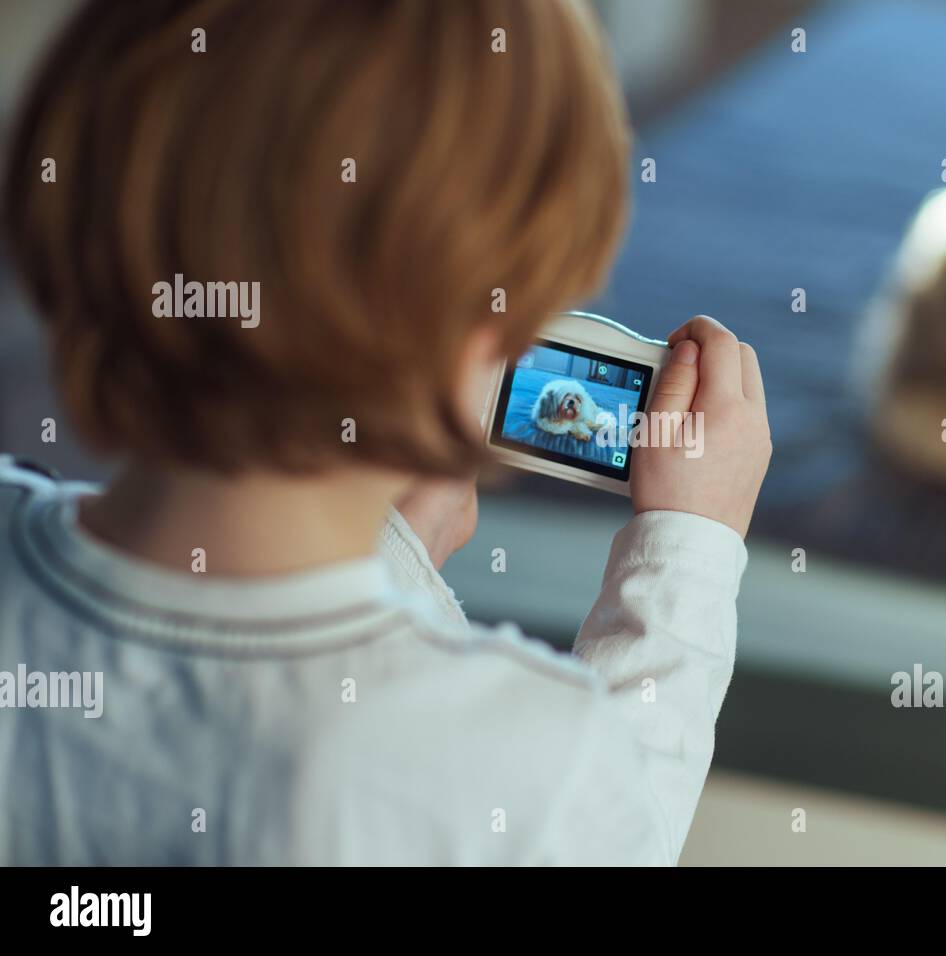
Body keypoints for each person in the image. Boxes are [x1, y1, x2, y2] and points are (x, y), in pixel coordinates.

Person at [0, 0, 770, 865]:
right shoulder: (530, 759)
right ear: (480, 341)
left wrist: (393, 556)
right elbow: (619, 826)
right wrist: (690, 548)